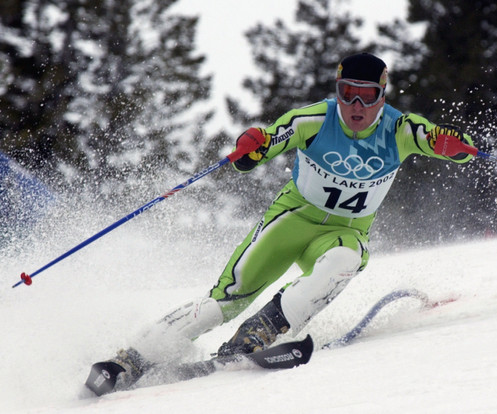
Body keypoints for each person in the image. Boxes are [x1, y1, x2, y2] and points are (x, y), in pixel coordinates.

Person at [107, 52, 475, 387]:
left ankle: (259, 333)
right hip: (292, 220)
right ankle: (132, 358)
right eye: (347, 92)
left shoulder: (400, 130)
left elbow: (453, 148)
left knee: (347, 259)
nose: (356, 105)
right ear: (338, 90)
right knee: (228, 299)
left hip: (343, 234)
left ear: (383, 94)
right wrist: (251, 146)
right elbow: (262, 146)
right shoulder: (314, 120)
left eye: (366, 95)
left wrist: (456, 146)